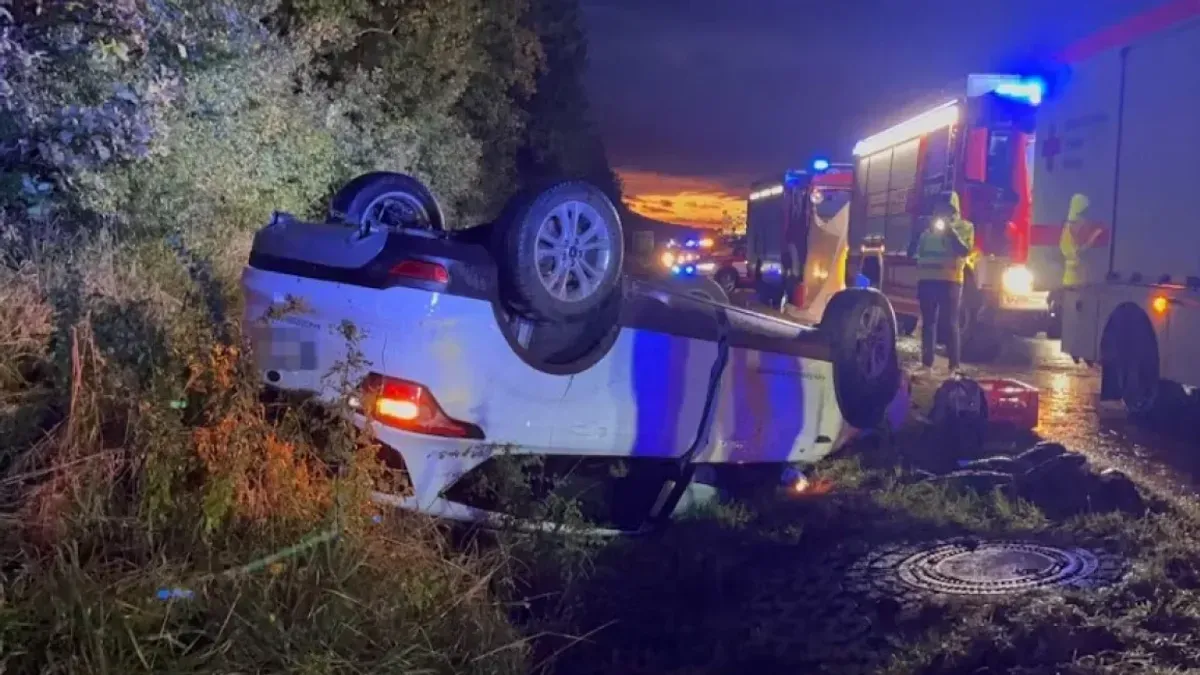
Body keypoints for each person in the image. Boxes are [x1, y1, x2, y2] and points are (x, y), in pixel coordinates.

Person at [914, 191, 975, 375]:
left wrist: (951, 233)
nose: (942, 212)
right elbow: (914, 253)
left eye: (947, 208)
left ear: (954, 209)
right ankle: (927, 365)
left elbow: (965, 251)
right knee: (928, 323)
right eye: (939, 208)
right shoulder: (927, 230)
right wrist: (917, 232)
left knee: (951, 323)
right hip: (927, 281)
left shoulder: (965, 227)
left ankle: (954, 366)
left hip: (951, 281)